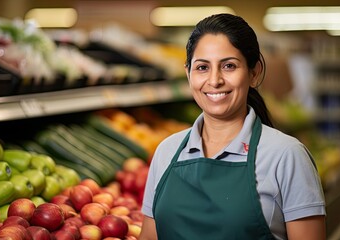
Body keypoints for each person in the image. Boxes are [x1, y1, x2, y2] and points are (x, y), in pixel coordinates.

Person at [139, 13, 326, 240]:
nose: (214, 80)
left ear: (254, 73)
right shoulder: (166, 152)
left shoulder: (286, 155)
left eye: (228, 66)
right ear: (188, 74)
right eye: (202, 67)